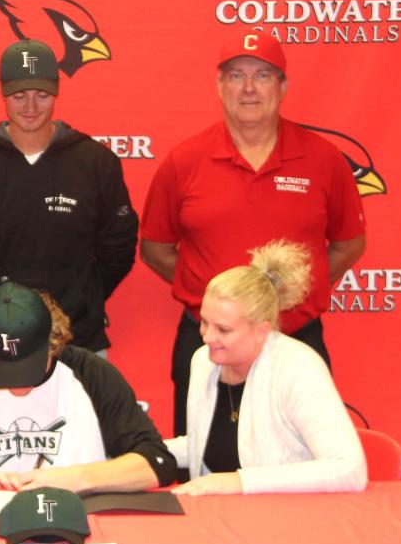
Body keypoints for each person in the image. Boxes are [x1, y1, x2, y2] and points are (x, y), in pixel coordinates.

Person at [140, 30, 366, 435]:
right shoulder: (185, 161)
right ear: (219, 85)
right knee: (203, 474)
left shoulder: (323, 159)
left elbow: (349, 244)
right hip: (208, 345)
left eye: (262, 76)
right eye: (235, 75)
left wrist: (297, 290)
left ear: (283, 87)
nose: (248, 88)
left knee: (303, 475)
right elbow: (155, 248)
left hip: (295, 339)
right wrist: (212, 299)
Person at [0, 39, 137, 362]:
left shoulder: (96, 163)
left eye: (42, 95)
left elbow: (118, 250)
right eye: (19, 96)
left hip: (77, 340)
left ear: (57, 91)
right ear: (1, 91)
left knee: (83, 415)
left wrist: (79, 295)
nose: (31, 107)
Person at [0, 281, 176, 492]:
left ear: (53, 341)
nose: (19, 388)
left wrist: (73, 479)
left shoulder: (90, 373)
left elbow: (157, 463)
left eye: (29, 369)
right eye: (4, 371)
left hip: (84, 514)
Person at [170, 240, 366, 495]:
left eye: (223, 329)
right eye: (205, 323)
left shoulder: (299, 367)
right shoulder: (203, 361)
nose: (207, 337)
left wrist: (240, 482)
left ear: (262, 331)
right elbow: (205, 444)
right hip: (218, 520)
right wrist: (140, 453)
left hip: (295, 521)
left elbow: (349, 470)